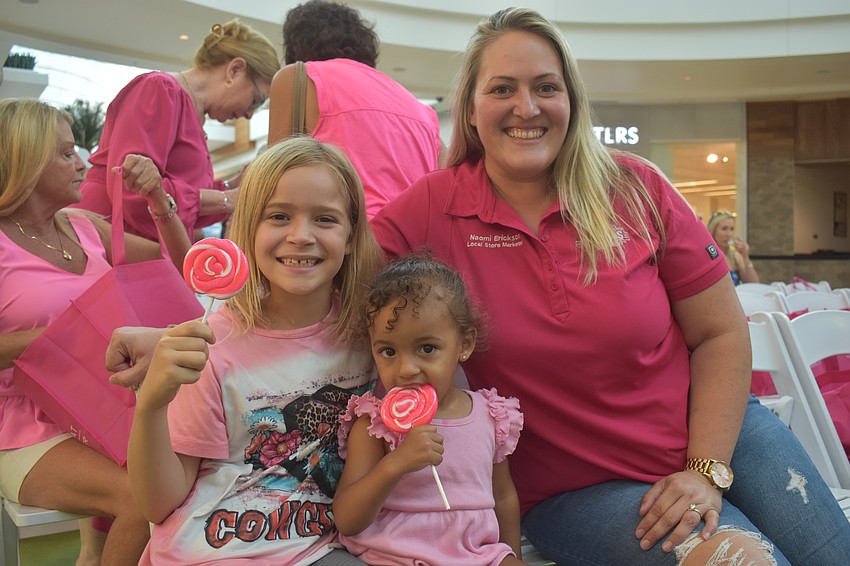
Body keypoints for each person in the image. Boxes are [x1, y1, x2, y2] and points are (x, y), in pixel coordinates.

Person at [369, 8, 850, 565]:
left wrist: (704, 469)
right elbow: (335, 277)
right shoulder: (431, 209)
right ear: (471, 111)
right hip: (579, 491)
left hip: (724, 435)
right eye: (502, 88)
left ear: (571, 102)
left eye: (546, 87)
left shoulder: (637, 188)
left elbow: (720, 332)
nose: (526, 107)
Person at [127, 137, 384, 564]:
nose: (301, 236)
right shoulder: (214, 343)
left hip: (316, 549)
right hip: (208, 551)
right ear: (249, 229)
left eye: (324, 219)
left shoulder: (373, 339)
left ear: (352, 236)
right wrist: (151, 406)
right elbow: (159, 505)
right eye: (279, 216)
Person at [0, 99, 192, 565]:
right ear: (24, 161)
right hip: (19, 423)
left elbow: (186, 269)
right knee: (138, 497)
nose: (83, 164)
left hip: (98, 407)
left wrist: (157, 201)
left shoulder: (85, 227)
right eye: (67, 153)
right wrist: (71, 337)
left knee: (180, 477)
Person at [333, 254, 526, 565]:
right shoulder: (375, 425)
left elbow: (503, 496)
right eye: (388, 351)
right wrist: (397, 463)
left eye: (427, 348)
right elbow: (347, 519)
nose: (407, 368)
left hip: (476, 553)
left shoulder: (492, 416)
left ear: (464, 344)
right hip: (397, 552)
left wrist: (509, 554)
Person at [75, 19, 280, 242]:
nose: (249, 115)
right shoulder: (159, 90)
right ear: (235, 70)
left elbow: (182, 205)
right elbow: (133, 191)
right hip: (109, 240)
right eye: (256, 101)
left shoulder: (190, 111)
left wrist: (234, 186)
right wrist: (228, 198)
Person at [268, 0, 442, 218]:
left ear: (295, 47)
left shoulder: (298, 78)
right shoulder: (422, 110)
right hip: (421, 243)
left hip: (347, 237)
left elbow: (271, 178)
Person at [707, 209, 760, 285]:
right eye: (724, 229)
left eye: (732, 229)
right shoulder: (706, 257)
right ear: (713, 230)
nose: (729, 234)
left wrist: (745, 257)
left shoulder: (735, 256)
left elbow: (753, 284)